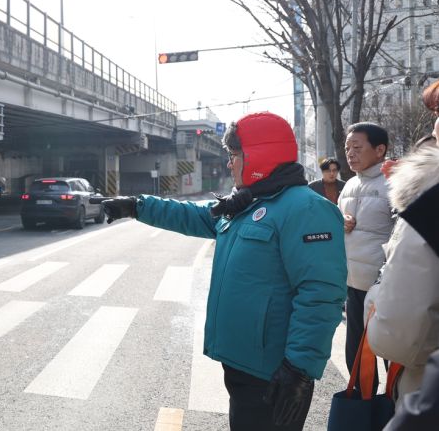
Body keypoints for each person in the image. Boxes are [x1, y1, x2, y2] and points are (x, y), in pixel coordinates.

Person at [102, 112, 347, 431]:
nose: (229, 163)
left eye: (234, 155)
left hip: (274, 372)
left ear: (259, 156)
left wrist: (298, 370)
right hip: (242, 363)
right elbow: (193, 216)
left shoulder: (306, 208)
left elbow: (321, 294)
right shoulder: (248, 202)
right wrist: (136, 206)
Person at [364, 80, 439, 409]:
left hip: (427, 388)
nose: (434, 125)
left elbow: (399, 334)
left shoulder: (430, 198)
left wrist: (373, 301)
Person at [337, 122, 394, 389]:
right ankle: (364, 404)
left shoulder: (394, 184)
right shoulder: (349, 184)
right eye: (348, 148)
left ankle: (396, 405)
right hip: (353, 283)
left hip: (386, 287)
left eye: (357, 147)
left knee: (392, 352)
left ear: (380, 150)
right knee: (356, 355)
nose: (350, 153)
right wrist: (339, 221)